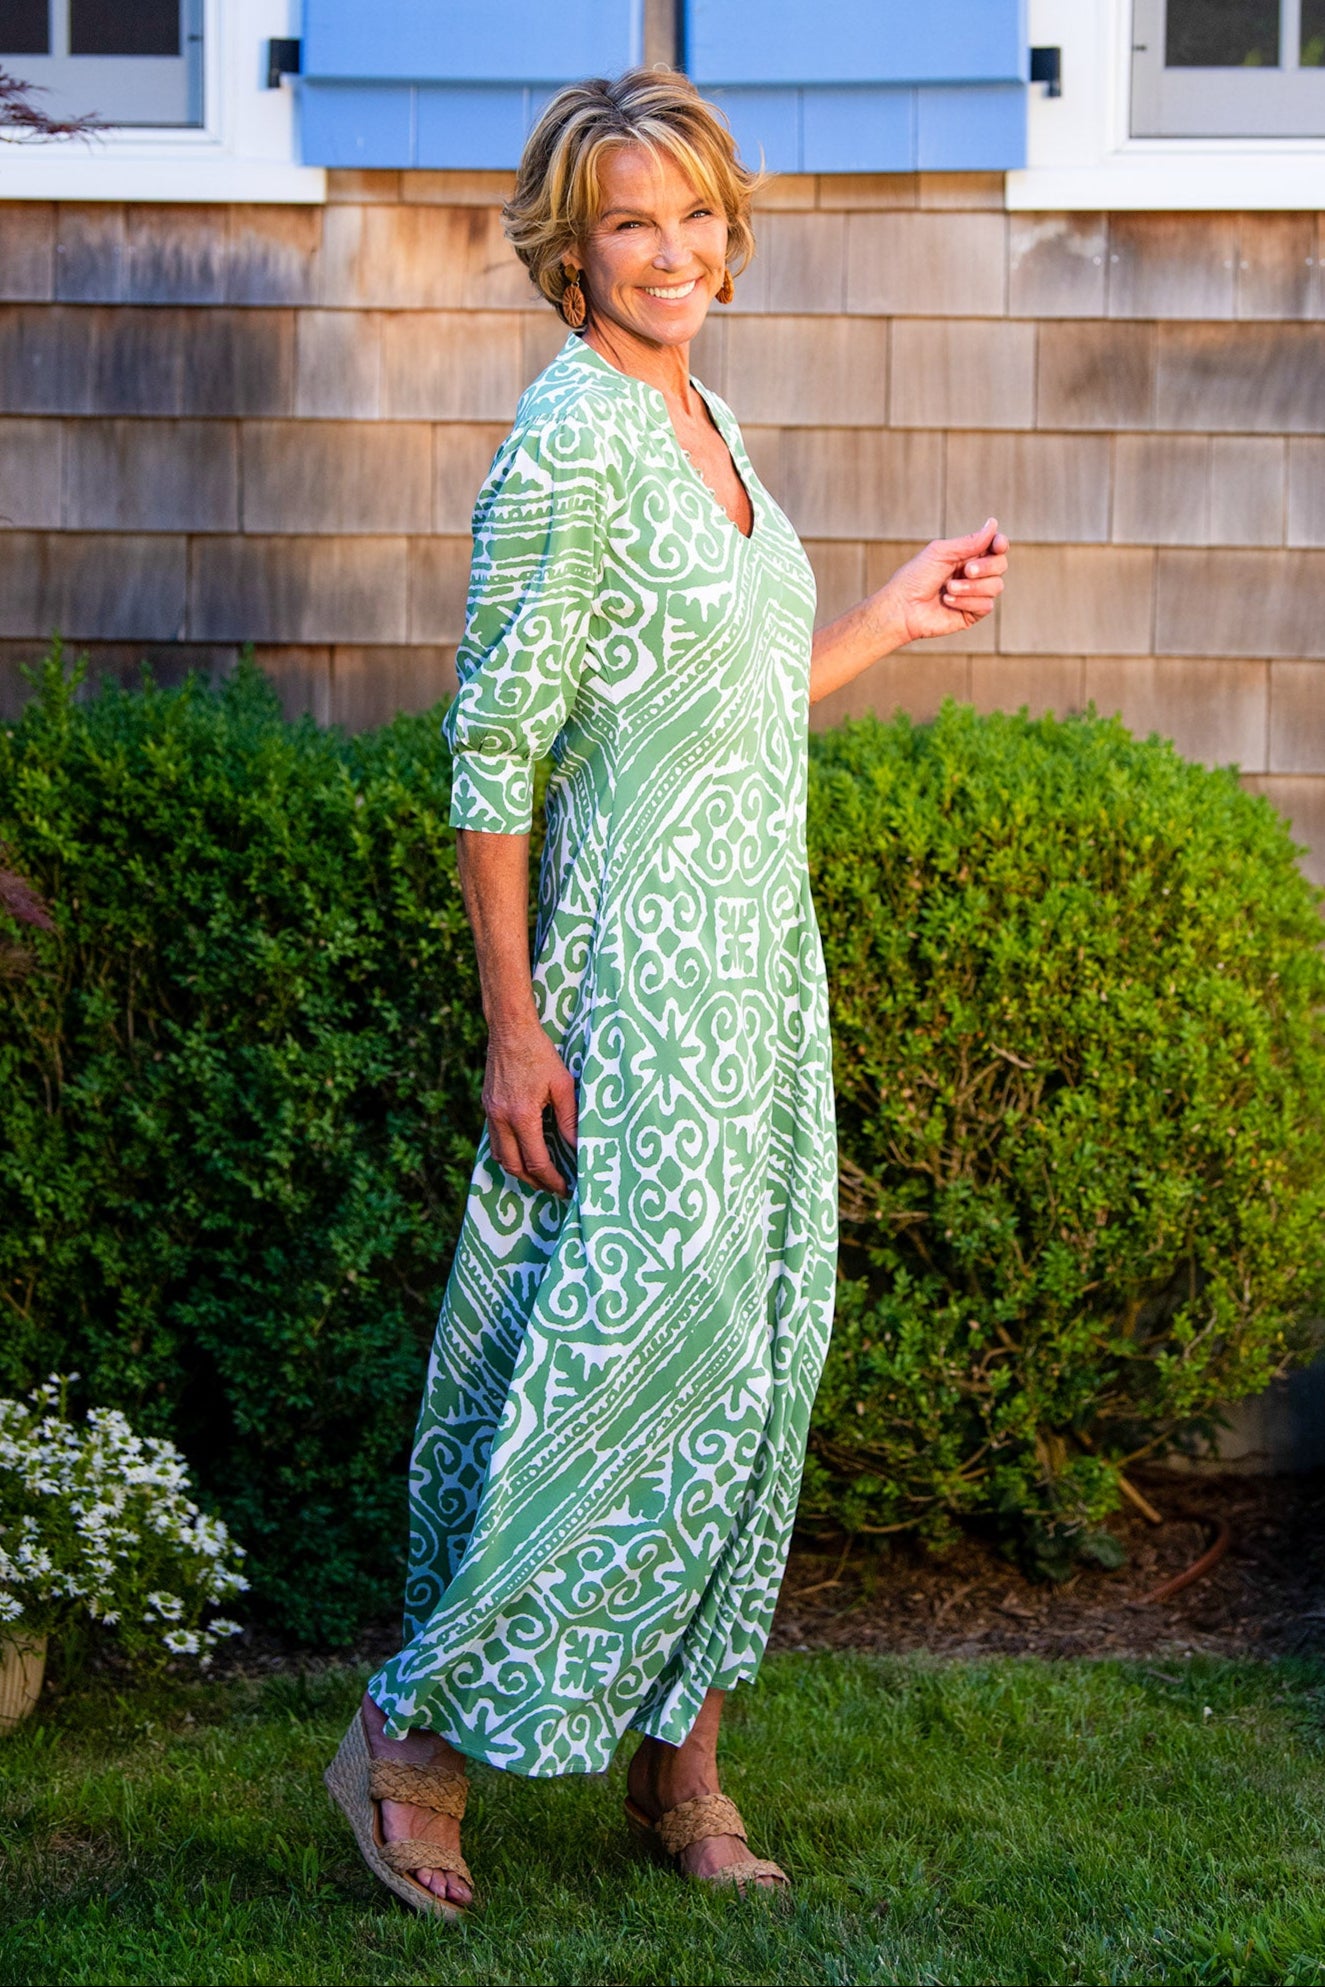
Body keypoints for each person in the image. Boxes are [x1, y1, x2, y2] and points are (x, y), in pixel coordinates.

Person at [326, 66, 1009, 1920]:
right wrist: (515, 1023)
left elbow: (716, 710)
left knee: (755, 1366)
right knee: (620, 1370)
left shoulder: (704, 414)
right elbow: (494, 755)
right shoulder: (568, 439)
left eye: (698, 214)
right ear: (572, 245)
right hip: (630, 988)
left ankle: (678, 1766)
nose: (676, 249)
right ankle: (412, 1737)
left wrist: (880, 617)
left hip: (758, 986)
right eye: (636, 220)